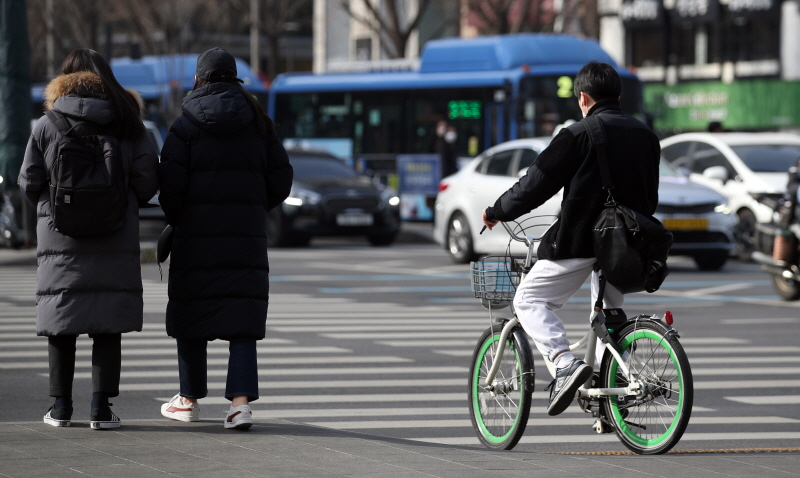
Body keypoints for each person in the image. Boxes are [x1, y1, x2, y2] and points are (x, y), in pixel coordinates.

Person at [481, 61, 660, 417]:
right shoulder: (646, 135)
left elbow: (535, 184)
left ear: (583, 97)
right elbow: (649, 196)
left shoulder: (578, 134)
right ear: (619, 95)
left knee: (528, 299)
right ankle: (610, 404)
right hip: (629, 245)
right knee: (610, 318)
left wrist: (498, 210)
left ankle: (564, 364)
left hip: (583, 240)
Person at [18, 49, 159, 429]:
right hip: (114, 234)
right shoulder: (129, 124)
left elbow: (29, 181)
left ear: (64, 80)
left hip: (60, 237)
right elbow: (148, 180)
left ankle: (60, 408)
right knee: (106, 324)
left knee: (62, 318)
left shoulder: (47, 124)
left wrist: (54, 208)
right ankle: (101, 409)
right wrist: (119, 201)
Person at [157, 48, 293, 430]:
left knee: (191, 316)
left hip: (195, 238)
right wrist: (252, 206)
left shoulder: (183, 126)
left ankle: (187, 399)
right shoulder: (259, 123)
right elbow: (281, 180)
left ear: (199, 79)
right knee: (242, 320)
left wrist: (182, 217)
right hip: (244, 239)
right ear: (235, 79)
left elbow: (169, 187)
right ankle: (239, 406)